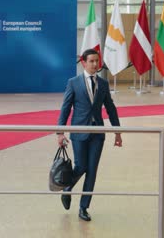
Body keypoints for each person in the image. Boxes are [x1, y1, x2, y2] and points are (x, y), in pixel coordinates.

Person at [57, 48, 123, 221]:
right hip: (79, 132)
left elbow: (110, 108)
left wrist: (117, 131)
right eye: (92, 61)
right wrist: (60, 132)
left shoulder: (103, 84)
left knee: (92, 171)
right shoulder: (73, 82)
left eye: (97, 61)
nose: (95, 64)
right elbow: (65, 108)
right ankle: (68, 188)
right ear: (83, 62)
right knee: (80, 166)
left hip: (97, 133)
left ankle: (84, 207)